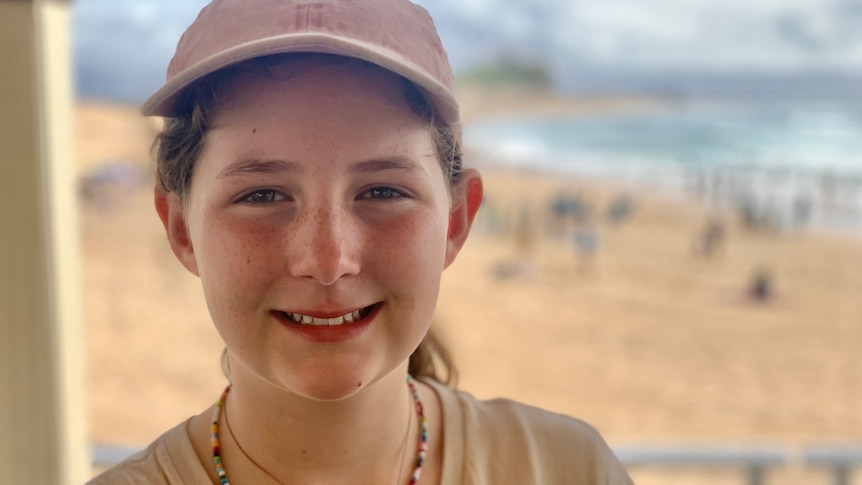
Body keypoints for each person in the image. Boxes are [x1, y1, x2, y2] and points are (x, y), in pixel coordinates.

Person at [88, 0, 633, 483]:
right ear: (181, 229)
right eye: (261, 196)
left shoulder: (567, 468)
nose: (327, 261)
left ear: (456, 220)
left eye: (381, 190)